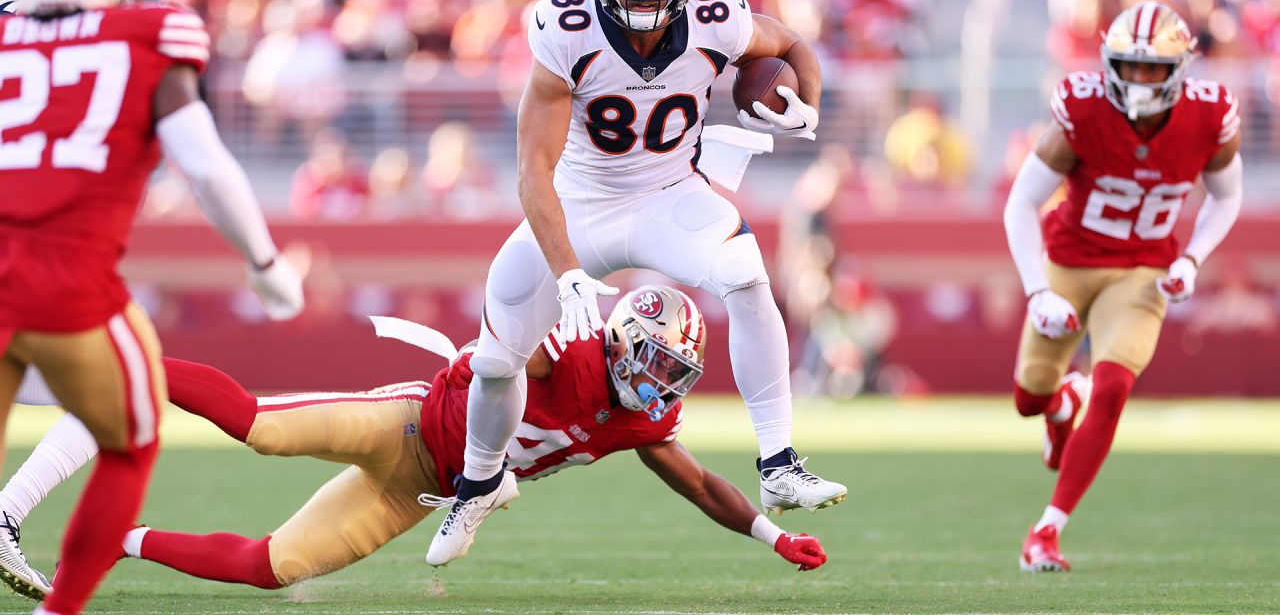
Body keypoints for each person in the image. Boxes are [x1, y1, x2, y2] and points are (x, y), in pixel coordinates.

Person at [431, 0, 846, 567]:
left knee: (745, 272)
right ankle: (479, 482)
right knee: (493, 359)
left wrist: (807, 107)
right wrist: (568, 274)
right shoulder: (567, 28)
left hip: (669, 195)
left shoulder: (718, 16)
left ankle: (779, 461)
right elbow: (533, 170)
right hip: (578, 199)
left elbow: (792, 45)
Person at [0, 286, 827, 596]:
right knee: (257, 426)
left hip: (415, 495)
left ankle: (123, 541)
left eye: (672, 370)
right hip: (404, 420)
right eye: (651, 361)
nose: (658, 383)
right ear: (615, 339)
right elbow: (507, 344)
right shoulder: (564, 349)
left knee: (271, 568)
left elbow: (695, 481)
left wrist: (771, 531)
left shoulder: (643, 419)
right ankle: (126, 357)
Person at [0, 0, 304, 613]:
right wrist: (264, 263)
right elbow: (205, 167)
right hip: (63, 282)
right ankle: (59, 604)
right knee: (130, 436)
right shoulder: (148, 32)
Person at [1003, 0, 1243, 572]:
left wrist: (1192, 258)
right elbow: (1022, 202)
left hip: (1143, 270)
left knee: (1111, 386)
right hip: (1069, 259)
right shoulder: (1083, 108)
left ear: (1180, 69)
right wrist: (1038, 291)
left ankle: (1047, 531)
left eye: (1152, 68)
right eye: (1127, 65)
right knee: (1027, 398)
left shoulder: (1209, 115)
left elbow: (1227, 195)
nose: (1138, 79)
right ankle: (1059, 405)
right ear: (1109, 63)